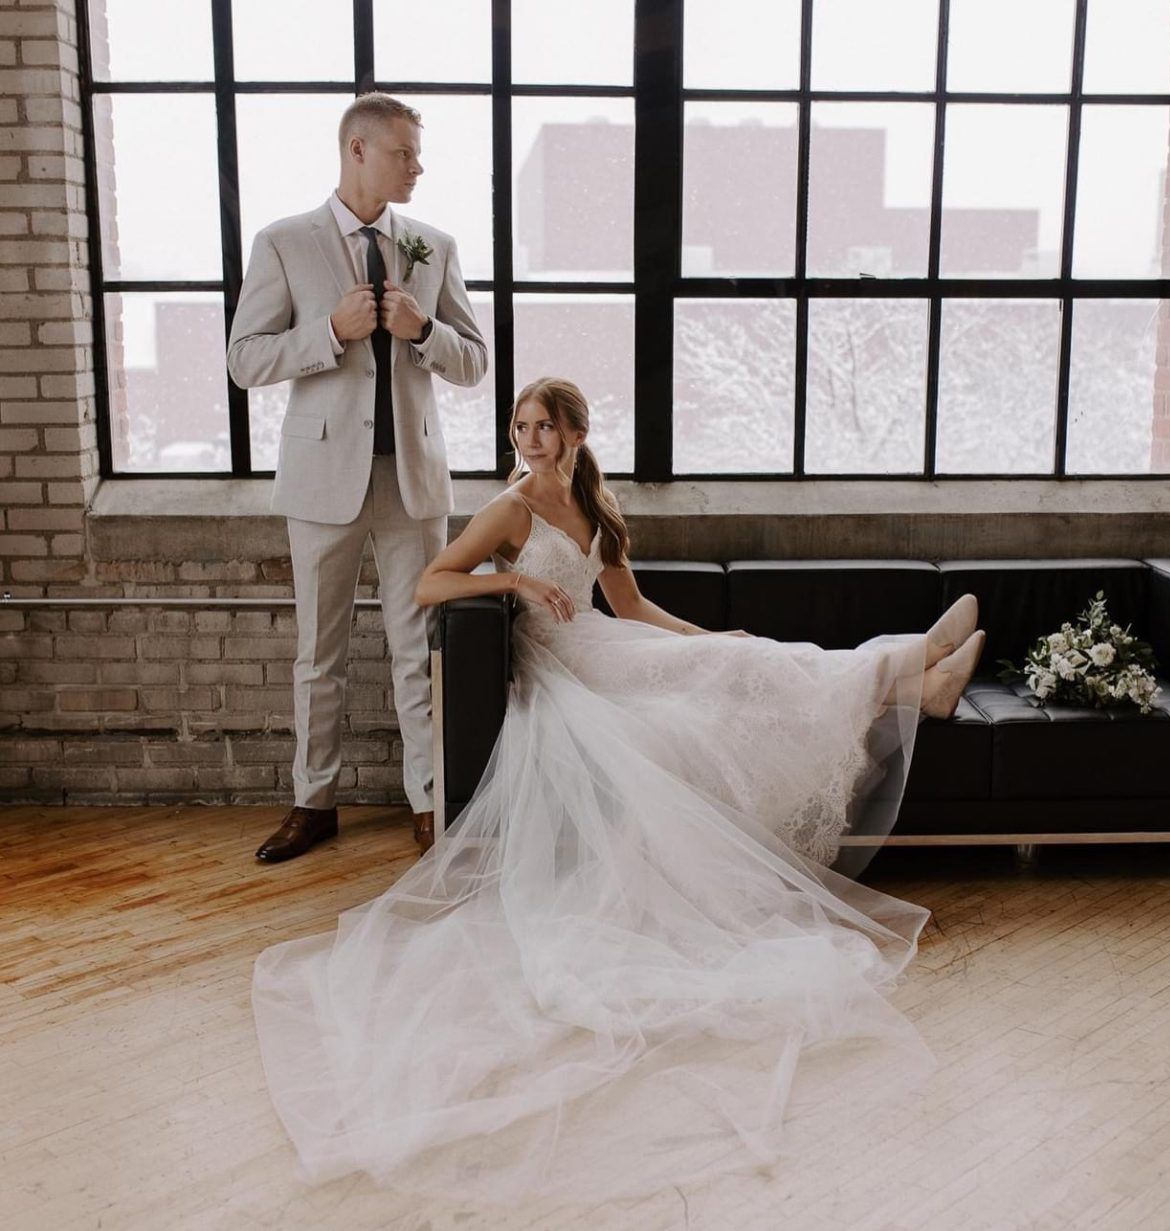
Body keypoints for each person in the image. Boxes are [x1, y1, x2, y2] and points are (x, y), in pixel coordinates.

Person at [252, 378, 985, 1204]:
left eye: (541, 426)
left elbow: (630, 604)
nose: (527, 438)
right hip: (564, 667)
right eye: (519, 425)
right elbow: (429, 583)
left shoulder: (593, 504)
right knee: (721, 686)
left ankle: (908, 676)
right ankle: (908, 671)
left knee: (736, 666)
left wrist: (709, 640)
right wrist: (517, 584)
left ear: (572, 433)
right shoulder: (512, 509)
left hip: (611, 646)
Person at [228, 93, 487, 863]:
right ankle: (314, 802)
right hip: (321, 477)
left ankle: (429, 801)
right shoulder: (283, 243)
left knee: (418, 647)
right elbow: (245, 359)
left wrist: (424, 330)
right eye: (405, 152)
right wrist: (328, 333)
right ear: (358, 151)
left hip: (412, 478)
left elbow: (474, 361)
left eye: (418, 152)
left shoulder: (433, 245)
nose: (418, 166)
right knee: (320, 652)